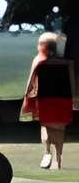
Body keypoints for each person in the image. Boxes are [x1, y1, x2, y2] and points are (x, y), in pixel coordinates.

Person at [26, 31, 75, 171]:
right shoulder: (67, 62)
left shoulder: (38, 61)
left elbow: (30, 80)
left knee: (45, 126)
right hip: (63, 98)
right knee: (60, 128)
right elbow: (72, 81)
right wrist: (74, 97)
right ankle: (57, 158)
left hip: (46, 97)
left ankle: (47, 152)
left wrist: (27, 94)